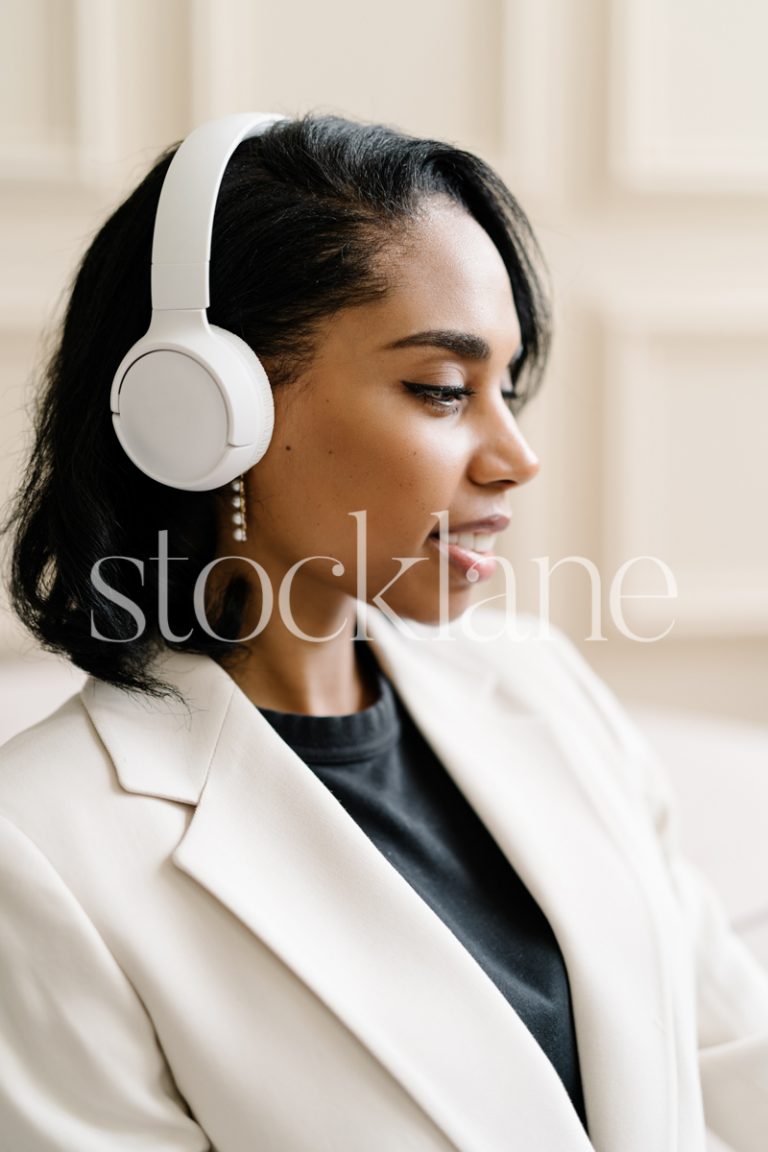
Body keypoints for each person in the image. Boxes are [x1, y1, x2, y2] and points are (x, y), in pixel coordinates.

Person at [0, 112, 766, 1152]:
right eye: (442, 390)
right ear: (204, 411)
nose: (515, 456)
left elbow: (726, 1061)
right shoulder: (40, 850)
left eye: (510, 384)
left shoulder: (540, 681)